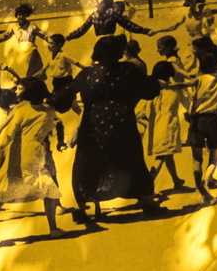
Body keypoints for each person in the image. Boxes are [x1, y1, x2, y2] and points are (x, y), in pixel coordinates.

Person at [67, 34, 163, 224]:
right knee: (131, 161)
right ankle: (146, 202)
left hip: (92, 125)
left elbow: (66, 94)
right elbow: (150, 90)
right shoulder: (129, 71)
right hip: (122, 124)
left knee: (89, 164)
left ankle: (82, 208)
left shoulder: (87, 73)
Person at [0, 78, 63, 244]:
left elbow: (9, 133)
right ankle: (53, 229)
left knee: (2, 194)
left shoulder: (21, 111)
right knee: (48, 190)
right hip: (35, 151)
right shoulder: (49, 111)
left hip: (17, 151)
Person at [185, 53, 217, 202]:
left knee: (196, 158)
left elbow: (183, 87)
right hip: (215, 121)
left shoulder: (198, 80)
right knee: (213, 158)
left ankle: (199, 187)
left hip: (198, 120)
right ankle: (207, 179)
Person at [146, 61, 185, 192]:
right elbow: (187, 103)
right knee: (162, 156)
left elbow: (145, 109)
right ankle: (148, 184)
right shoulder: (175, 88)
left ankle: (176, 180)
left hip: (156, 123)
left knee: (168, 154)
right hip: (169, 124)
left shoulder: (153, 88)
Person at [67, 0, 153, 41]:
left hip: (111, 43)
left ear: (106, 1)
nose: (96, 1)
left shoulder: (113, 13)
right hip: (100, 43)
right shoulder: (93, 16)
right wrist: (68, 37)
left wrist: (145, 31)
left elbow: (128, 25)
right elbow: (82, 29)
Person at [0, 4, 47, 79]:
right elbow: (4, 36)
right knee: (19, 75)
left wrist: (52, 39)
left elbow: (43, 35)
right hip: (20, 53)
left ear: (26, 15)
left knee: (31, 75)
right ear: (16, 15)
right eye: (19, 15)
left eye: (23, 15)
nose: (20, 17)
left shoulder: (32, 26)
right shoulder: (15, 27)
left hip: (30, 53)